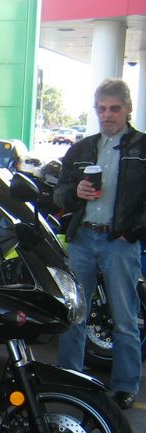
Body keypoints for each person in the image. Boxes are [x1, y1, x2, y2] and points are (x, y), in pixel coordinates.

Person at [55, 78, 146, 410]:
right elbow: (59, 193)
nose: (107, 115)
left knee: (124, 318)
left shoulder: (142, 148)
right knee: (74, 313)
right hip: (82, 239)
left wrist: (133, 232)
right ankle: (70, 378)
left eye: (114, 109)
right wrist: (74, 193)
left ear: (128, 109)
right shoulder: (82, 149)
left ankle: (125, 386)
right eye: (102, 109)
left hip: (119, 243)